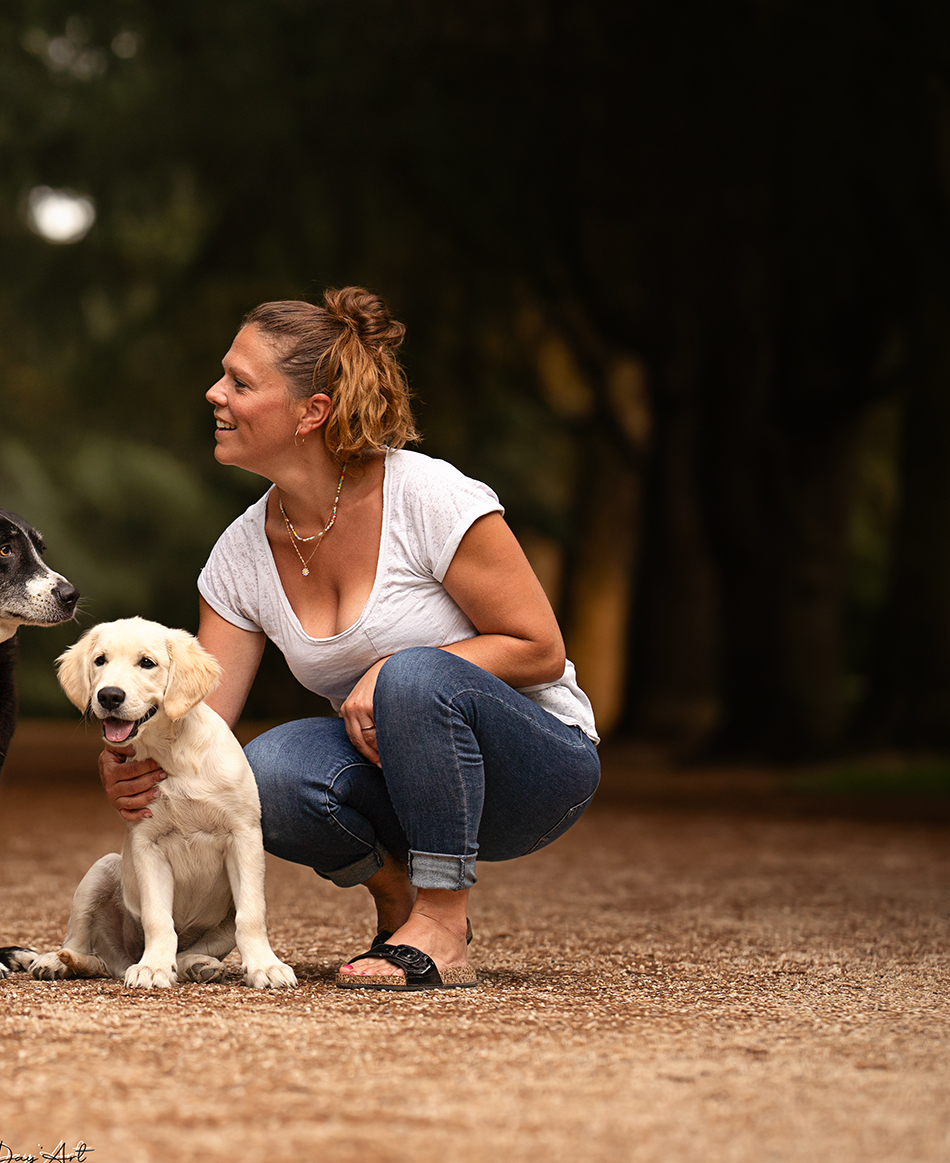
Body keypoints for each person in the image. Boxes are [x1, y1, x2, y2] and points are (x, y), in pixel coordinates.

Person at [98, 287, 600, 990]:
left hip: (534, 771)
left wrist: (391, 670)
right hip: (399, 780)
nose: (214, 393)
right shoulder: (240, 555)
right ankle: (397, 899)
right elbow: (200, 718)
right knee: (264, 774)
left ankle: (444, 921)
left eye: (240, 382)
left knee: (414, 676)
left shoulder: (428, 497)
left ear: (312, 412)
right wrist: (129, 752)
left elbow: (539, 647)